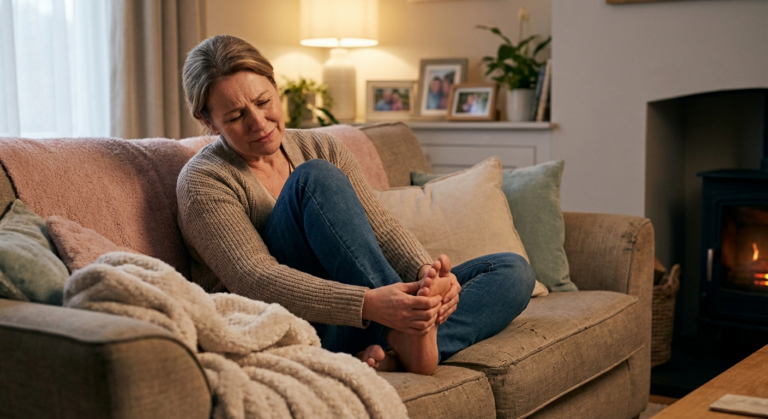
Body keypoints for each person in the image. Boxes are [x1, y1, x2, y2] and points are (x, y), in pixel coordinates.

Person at [177, 34, 535, 376]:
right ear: (208, 121)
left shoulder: (324, 145)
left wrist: (426, 276)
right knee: (313, 177)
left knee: (511, 270)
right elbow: (255, 280)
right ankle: (406, 331)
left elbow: (380, 227)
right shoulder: (204, 181)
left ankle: (398, 347)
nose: (259, 123)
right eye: (237, 117)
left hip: (359, 321)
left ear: (276, 88)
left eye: (263, 101)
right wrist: (371, 303)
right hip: (293, 322)